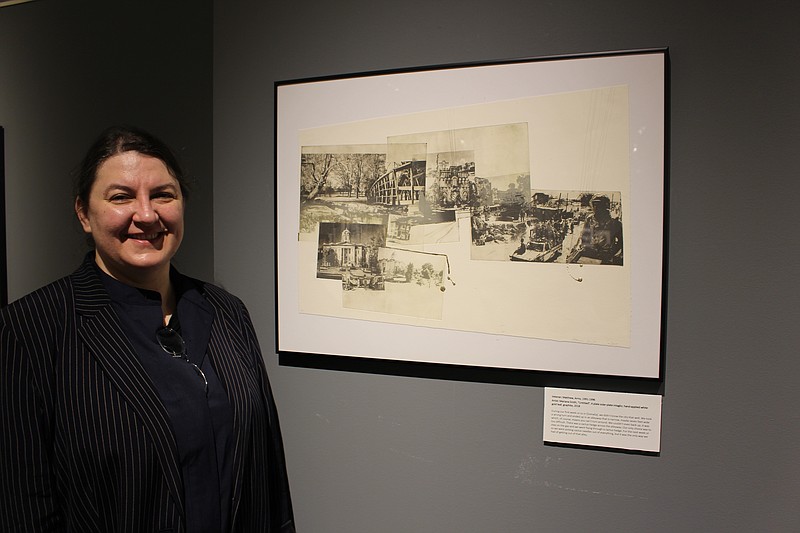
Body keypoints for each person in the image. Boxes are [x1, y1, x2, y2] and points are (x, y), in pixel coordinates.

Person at [0, 126, 295, 532]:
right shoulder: (30, 330)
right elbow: (23, 505)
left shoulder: (227, 313)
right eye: (121, 197)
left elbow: (268, 476)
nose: (146, 214)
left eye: (163, 195)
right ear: (84, 214)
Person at [568, 194, 623, 265]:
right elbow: (585, 237)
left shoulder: (615, 223)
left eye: (599, 205)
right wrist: (587, 247)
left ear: (605, 207)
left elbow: (621, 242)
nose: (596, 208)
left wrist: (612, 253)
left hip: (606, 255)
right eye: (594, 205)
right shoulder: (589, 219)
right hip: (591, 252)